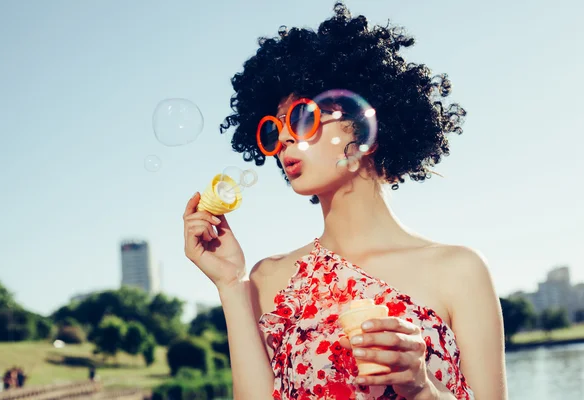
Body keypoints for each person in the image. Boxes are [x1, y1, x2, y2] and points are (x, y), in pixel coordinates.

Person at [183, 3, 506, 399]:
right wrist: (231, 285)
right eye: (274, 129)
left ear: (363, 119)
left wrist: (422, 389)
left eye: (302, 117)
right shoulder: (266, 279)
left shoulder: (460, 270)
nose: (284, 138)